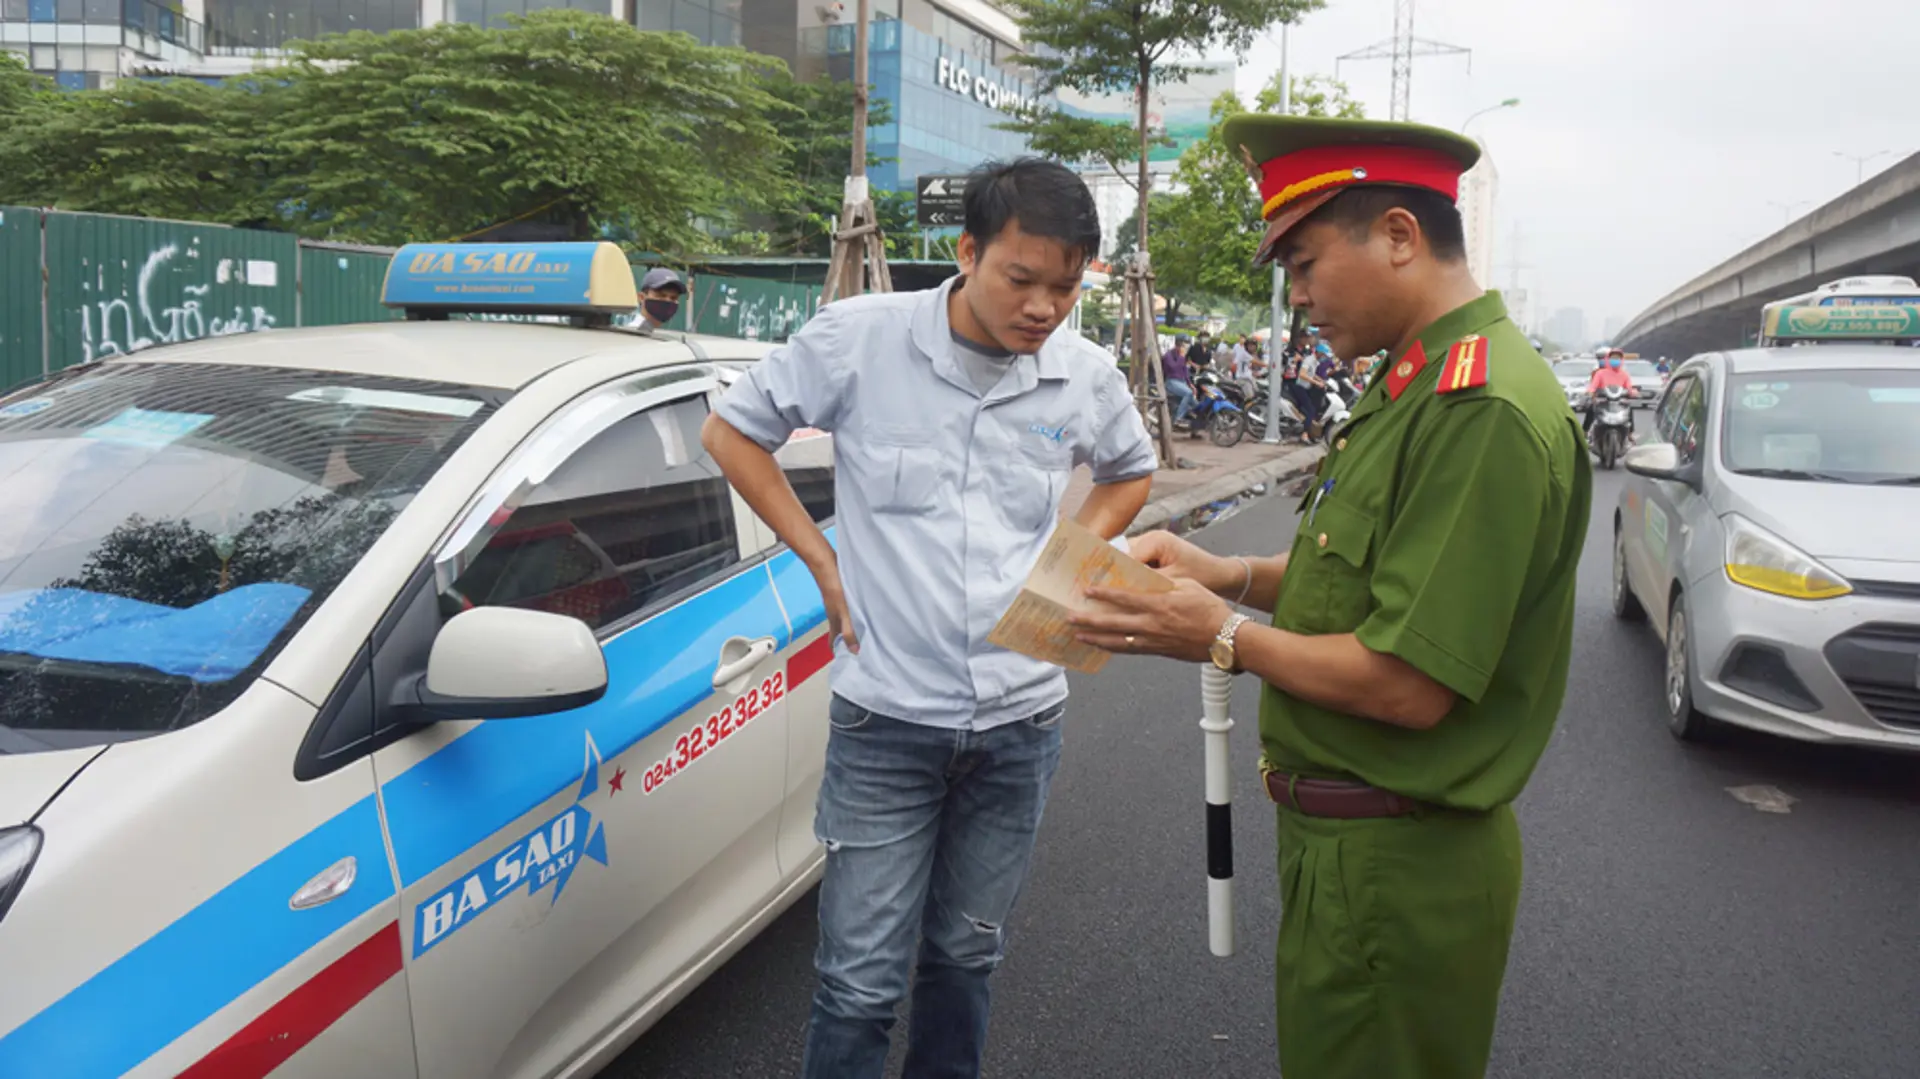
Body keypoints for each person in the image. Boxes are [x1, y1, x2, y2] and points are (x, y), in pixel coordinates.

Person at [1067, 114, 1589, 1079]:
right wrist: (1224, 573)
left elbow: (1404, 683)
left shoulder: (1481, 409)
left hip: (1400, 865)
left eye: (1304, 265)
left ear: (1399, 235)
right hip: (1352, 849)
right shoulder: (1415, 384)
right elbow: (1362, 586)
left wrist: (1217, 632)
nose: (1297, 300)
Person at [702, 157, 1156, 1079]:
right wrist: (819, 554)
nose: (1042, 307)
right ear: (967, 252)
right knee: (859, 982)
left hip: (1021, 722)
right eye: (1020, 279)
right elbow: (731, 431)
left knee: (964, 957)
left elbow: (1129, 470)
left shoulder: (1083, 373)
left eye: (1064, 287)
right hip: (886, 719)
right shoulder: (859, 340)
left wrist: (1066, 567)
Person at [1583, 351, 1637, 432]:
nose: (1615, 360)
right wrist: (1590, 391)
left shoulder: (1624, 374)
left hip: (1619, 402)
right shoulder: (1600, 373)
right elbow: (1593, 386)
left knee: (1629, 409)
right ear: (1608, 359)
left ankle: (1629, 433)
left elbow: (1629, 387)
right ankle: (1585, 431)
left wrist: (1633, 392)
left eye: (1617, 358)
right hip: (1603, 401)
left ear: (1621, 360)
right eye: (1613, 358)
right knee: (1591, 408)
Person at [1162, 336, 1196, 426]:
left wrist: (1190, 384)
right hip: (1171, 382)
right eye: (1185, 345)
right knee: (1188, 393)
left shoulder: (1182, 356)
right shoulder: (1168, 356)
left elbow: (1185, 371)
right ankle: (1178, 418)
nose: (1186, 348)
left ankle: (1194, 429)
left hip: (1182, 382)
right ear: (1179, 345)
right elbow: (1174, 368)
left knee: (1195, 405)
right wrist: (1181, 357)